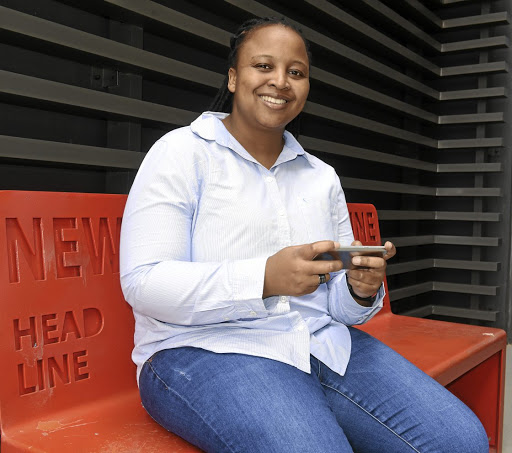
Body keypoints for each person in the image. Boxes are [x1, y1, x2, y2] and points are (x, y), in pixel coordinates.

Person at [120, 17, 489, 453]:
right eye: (263, 66)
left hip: (319, 339)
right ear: (234, 78)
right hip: (203, 348)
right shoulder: (182, 153)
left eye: (295, 72)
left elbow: (337, 308)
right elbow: (144, 283)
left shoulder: (321, 176)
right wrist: (264, 278)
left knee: (461, 441)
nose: (280, 81)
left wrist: (359, 289)